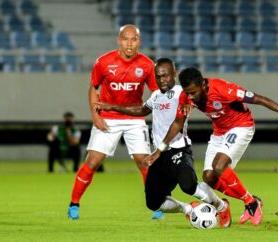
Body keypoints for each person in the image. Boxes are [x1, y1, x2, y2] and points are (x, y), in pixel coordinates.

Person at [144, 67, 278, 227]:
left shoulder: (223, 89)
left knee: (219, 165)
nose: (190, 97)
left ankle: (250, 203)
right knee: (209, 177)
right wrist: (160, 149)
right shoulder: (186, 97)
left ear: (203, 85)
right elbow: (178, 123)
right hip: (219, 132)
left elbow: (259, 98)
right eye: (187, 93)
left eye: (193, 92)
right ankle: (245, 201)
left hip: (241, 126)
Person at [96, 58, 231, 228]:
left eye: (166, 76)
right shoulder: (156, 95)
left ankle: (222, 206)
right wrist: (113, 107)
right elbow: (142, 110)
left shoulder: (182, 93)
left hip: (178, 148)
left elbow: (185, 113)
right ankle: (188, 210)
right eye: (158, 77)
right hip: (160, 155)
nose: (162, 80)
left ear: (174, 74)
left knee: (189, 186)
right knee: (153, 202)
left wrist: (190, 106)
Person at [67, 24, 158, 219]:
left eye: (133, 39)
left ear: (139, 42)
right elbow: (94, 88)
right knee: (93, 161)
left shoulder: (147, 65)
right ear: (118, 40)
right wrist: (96, 116)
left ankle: (157, 206)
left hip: (135, 118)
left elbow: (157, 94)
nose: (129, 43)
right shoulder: (104, 62)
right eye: (125, 39)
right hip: (108, 117)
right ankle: (74, 204)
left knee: (144, 163)